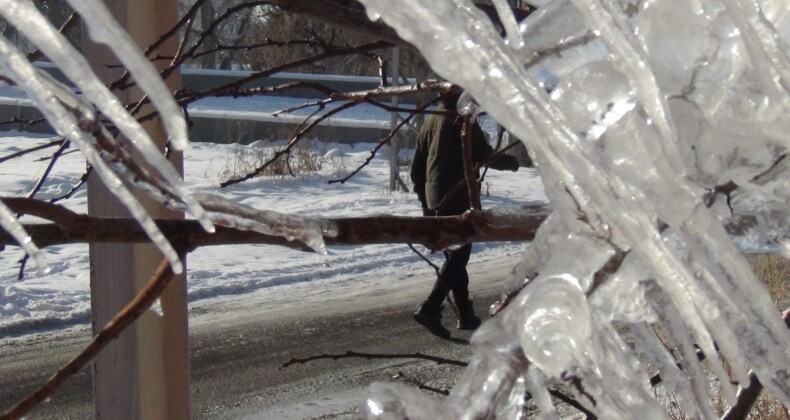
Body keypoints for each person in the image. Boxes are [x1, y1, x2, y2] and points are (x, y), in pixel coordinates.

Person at [410, 88, 520, 337]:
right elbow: (482, 154)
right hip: (458, 197)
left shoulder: (429, 122)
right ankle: (430, 307)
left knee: (455, 256)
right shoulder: (461, 121)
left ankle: (466, 315)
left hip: (435, 199)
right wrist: (510, 162)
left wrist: (427, 205)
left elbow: (416, 170)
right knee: (459, 257)